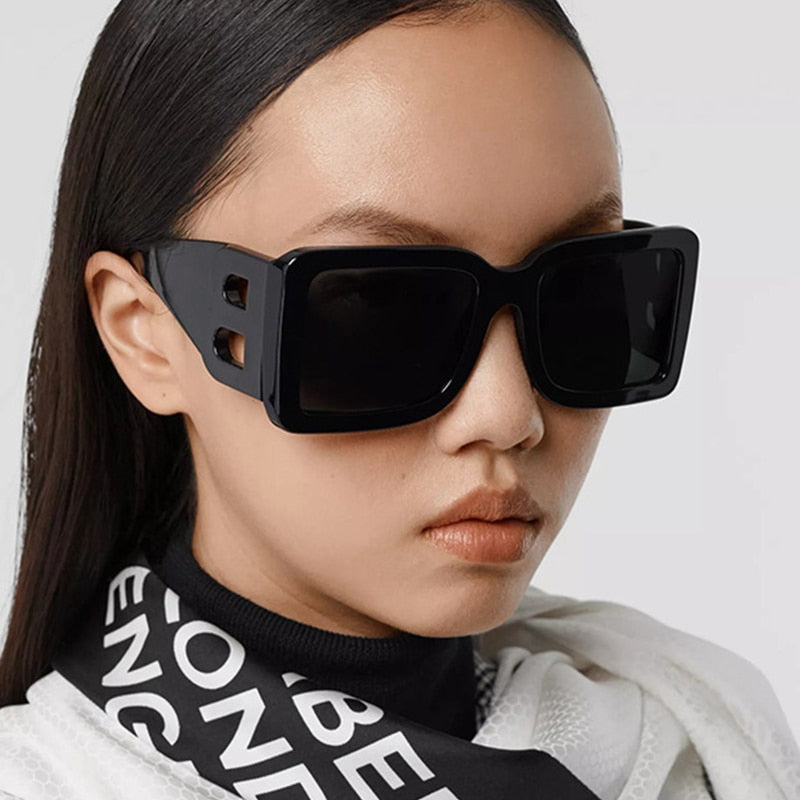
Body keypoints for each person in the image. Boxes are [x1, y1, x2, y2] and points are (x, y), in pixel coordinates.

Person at [0, 1, 797, 798]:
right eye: (376, 311)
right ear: (146, 333)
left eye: (584, 295)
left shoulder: (701, 747)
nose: (508, 415)